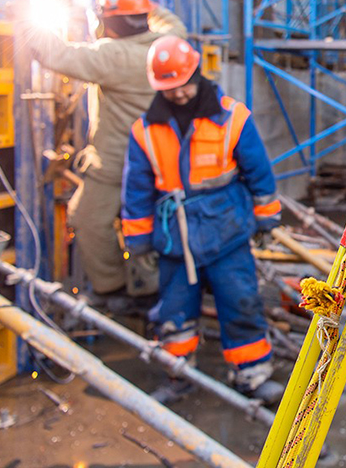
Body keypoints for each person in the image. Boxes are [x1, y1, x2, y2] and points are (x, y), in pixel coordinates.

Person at [121, 36, 282, 403]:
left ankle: (253, 375)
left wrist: (267, 219)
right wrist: (138, 239)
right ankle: (178, 376)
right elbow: (137, 189)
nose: (178, 94)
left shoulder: (231, 117)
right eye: (170, 88)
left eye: (184, 84)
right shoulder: (145, 130)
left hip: (226, 231)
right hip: (174, 237)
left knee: (241, 301)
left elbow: (258, 172)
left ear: (197, 72)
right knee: (174, 311)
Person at [13, 0, 186, 305]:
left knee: (87, 219)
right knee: (153, 225)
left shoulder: (113, 55)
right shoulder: (167, 43)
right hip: (162, 160)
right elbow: (172, 22)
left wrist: (24, 21)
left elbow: (57, 54)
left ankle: (115, 288)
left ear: (106, 23)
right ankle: (153, 286)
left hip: (116, 163)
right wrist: (146, 6)